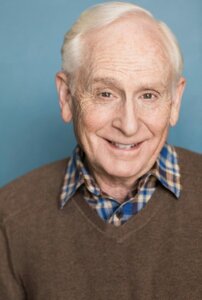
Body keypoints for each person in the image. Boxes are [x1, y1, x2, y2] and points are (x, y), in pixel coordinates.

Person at [0, 2, 201, 299]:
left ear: (175, 101)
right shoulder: (9, 216)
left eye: (148, 95)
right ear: (67, 97)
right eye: (105, 93)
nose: (129, 125)